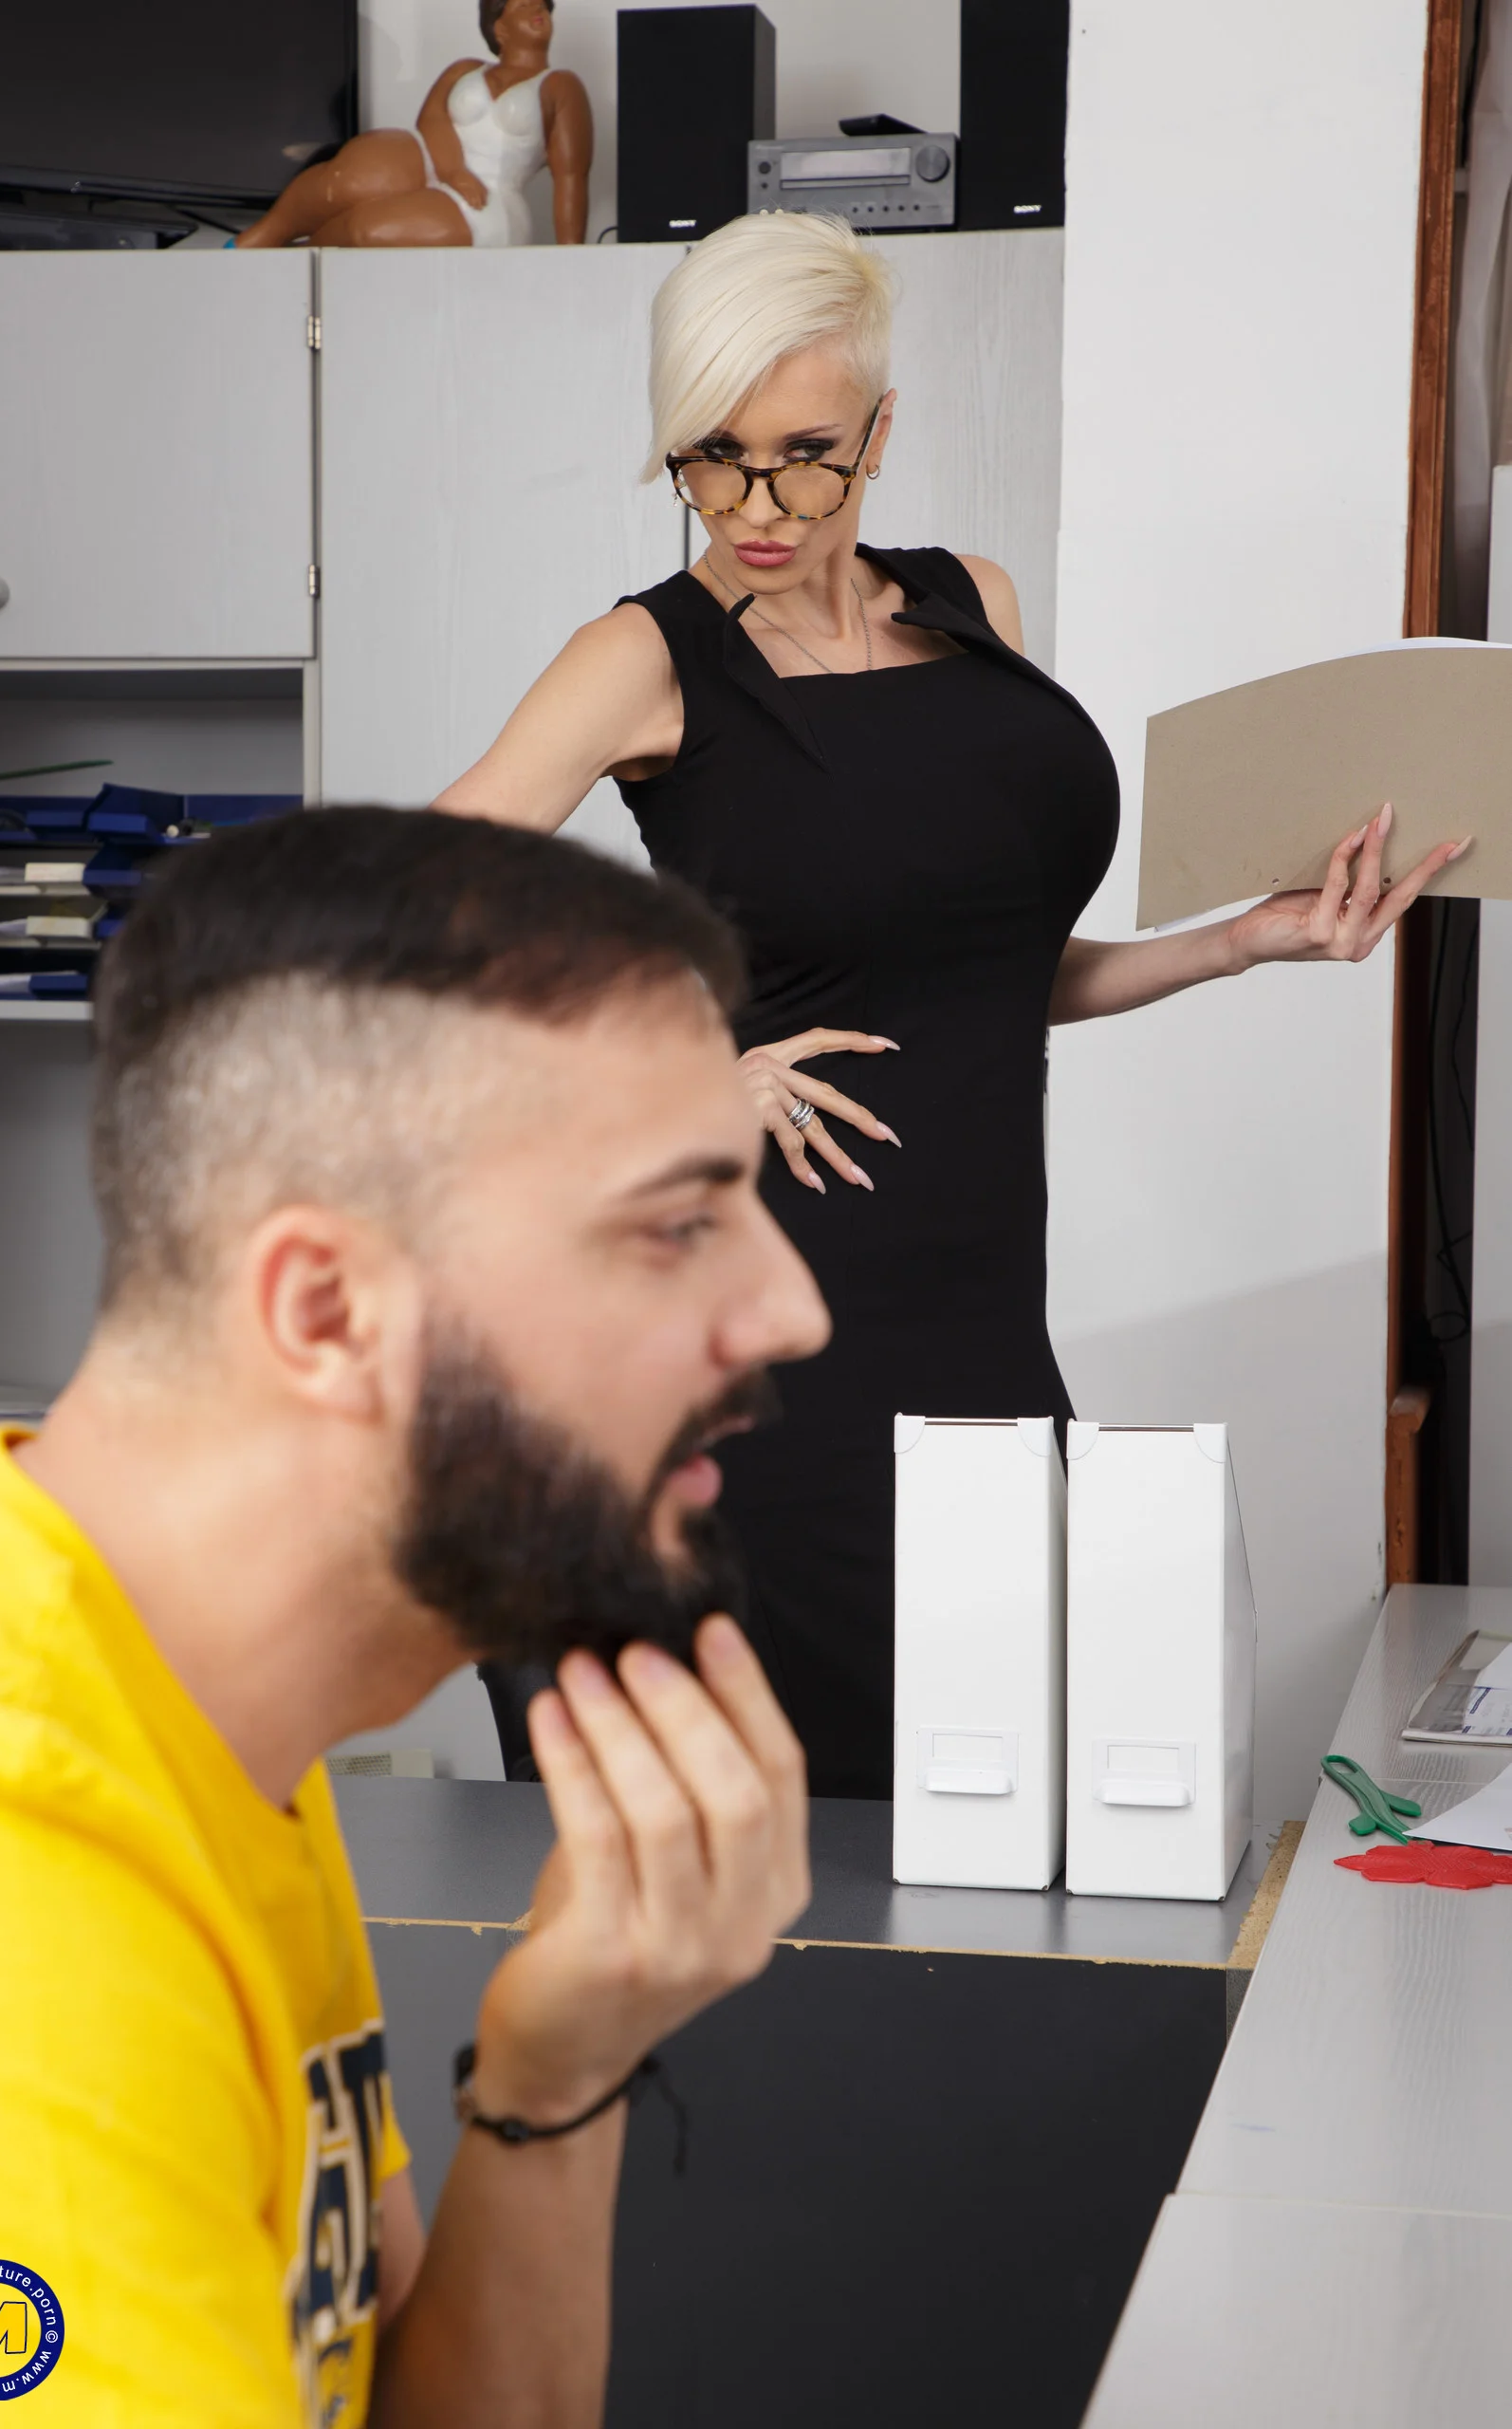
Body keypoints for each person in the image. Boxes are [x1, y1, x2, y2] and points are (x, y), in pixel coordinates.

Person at [434, 210, 1465, 1799]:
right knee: (821, 1842)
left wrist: (1235, 944)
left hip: (978, 1327)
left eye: (805, 457)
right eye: (713, 459)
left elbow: (975, 979)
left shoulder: (973, 607)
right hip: (763, 1352)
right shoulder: (645, 657)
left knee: (999, 1804)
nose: (757, 508)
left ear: (881, 430)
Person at [0, 809, 826, 2426]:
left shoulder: (197, 1695)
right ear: (325, 1311)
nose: (790, 1310)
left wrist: (558, 2078)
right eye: (678, 1224)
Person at [237, 0, 591, 251]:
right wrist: (453, 171)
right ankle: (259, 238)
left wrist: (573, 260)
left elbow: (571, 177)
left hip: (489, 201)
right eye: (523, 5)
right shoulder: (465, 69)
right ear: (500, 28)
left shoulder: (561, 86)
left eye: (541, 5)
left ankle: (299, 256)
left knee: (367, 228)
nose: (537, 9)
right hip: (438, 163)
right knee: (350, 177)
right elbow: (431, 119)